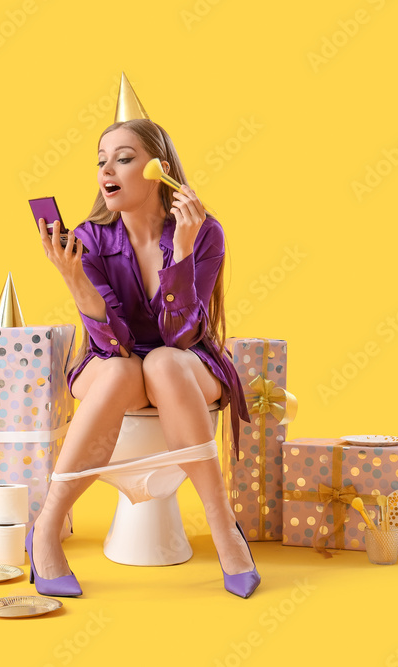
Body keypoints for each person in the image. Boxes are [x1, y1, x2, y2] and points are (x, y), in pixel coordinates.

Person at [29, 117, 256, 598]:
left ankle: (224, 532)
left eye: (124, 158)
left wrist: (183, 250)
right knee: (122, 370)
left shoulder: (204, 231)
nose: (106, 170)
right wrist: (77, 283)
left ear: (160, 169)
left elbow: (182, 335)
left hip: (186, 361)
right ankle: (46, 529)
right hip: (112, 362)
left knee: (163, 364)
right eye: (101, 160)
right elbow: (115, 345)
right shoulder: (90, 239)